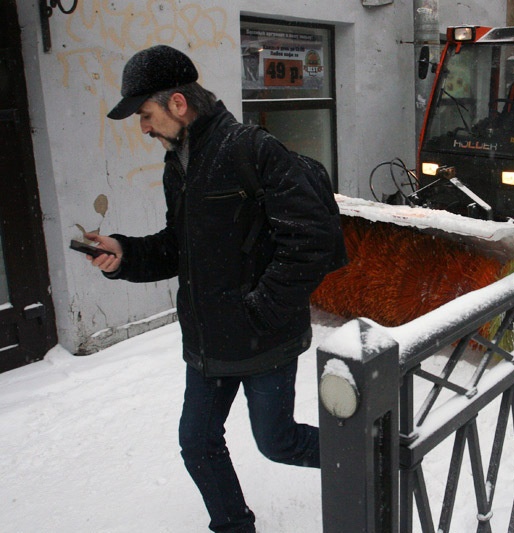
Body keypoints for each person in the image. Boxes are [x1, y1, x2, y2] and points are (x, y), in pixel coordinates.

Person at [85, 44, 337, 533]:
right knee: (197, 445)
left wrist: (260, 310)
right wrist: (124, 255)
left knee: (277, 442)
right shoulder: (177, 165)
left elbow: (312, 240)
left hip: (263, 339)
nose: (143, 127)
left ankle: (367, 452)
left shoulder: (251, 149)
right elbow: (179, 247)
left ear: (178, 104)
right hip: (207, 342)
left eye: (145, 114)